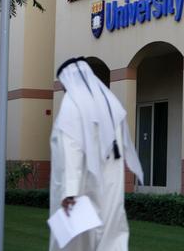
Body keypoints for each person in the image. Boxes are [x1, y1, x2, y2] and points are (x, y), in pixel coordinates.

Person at [49, 57, 143, 251]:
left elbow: (71, 150)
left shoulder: (72, 104)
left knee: (75, 240)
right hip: (109, 185)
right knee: (110, 236)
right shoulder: (108, 101)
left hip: (82, 186)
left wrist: (70, 191)